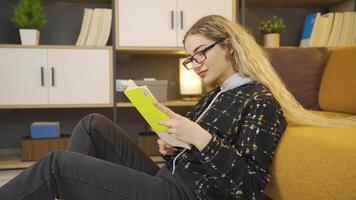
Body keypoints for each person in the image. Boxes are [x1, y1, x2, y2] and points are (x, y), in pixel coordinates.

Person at [1, 15, 355, 200]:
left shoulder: (259, 101)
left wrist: (200, 138)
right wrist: (173, 146)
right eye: (190, 57)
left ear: (229, 46)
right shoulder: (213, 94)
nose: (196, 63)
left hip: (185, 195)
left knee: (56, 165)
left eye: (202, 52)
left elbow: (247, 186)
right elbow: (191, 153)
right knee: (94, 124)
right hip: (170, 178)